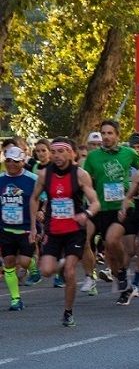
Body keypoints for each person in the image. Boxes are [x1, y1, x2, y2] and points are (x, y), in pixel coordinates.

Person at [28, 138, 102, 327]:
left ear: (71, 153)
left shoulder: (80, 175)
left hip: (75, 230)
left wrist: (86, 214)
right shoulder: (44, 174)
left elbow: (95, 202)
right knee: (46, 271)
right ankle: (60, 263)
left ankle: (68, 312)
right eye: (53, 152)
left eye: (61, 151)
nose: (56, 156)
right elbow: (34, 198)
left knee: (70, 272)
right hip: (53, 230)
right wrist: (34, 227)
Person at [81, 119, 139, 299]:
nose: (106, 137)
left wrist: (134, 187)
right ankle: (111, 274)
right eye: (103, 133)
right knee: (102, 246)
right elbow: (85, 180)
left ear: (117, 135)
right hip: (101, 207)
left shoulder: (128, 153)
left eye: (110, 133)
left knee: (111, 240)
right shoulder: (93, 157)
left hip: (122, 207)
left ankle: (121, 271)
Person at [1, 146, 37, 311]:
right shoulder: (1, 179)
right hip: (6, 229)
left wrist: (41, 212)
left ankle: (33, 265)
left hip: (26, 228)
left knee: (23, 262)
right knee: (8, 262)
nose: (11, 164)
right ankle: (15, 299)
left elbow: (43, 198)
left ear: (23, 161)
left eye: (15, 161)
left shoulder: (32, 179)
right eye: (8, 160)